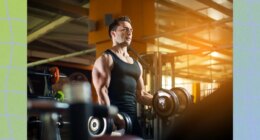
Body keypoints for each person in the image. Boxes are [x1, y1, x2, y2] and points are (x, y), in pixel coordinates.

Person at [92, 16, 153, 137]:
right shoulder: (106, 59)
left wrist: (161, 101)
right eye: (125, 29)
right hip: (116, 122)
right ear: (113, 33)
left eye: (131, 30)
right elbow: (102, 93)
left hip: (133, 122)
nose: (129, 32)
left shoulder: (137, 64)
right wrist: (112, 119)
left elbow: (141, 95)